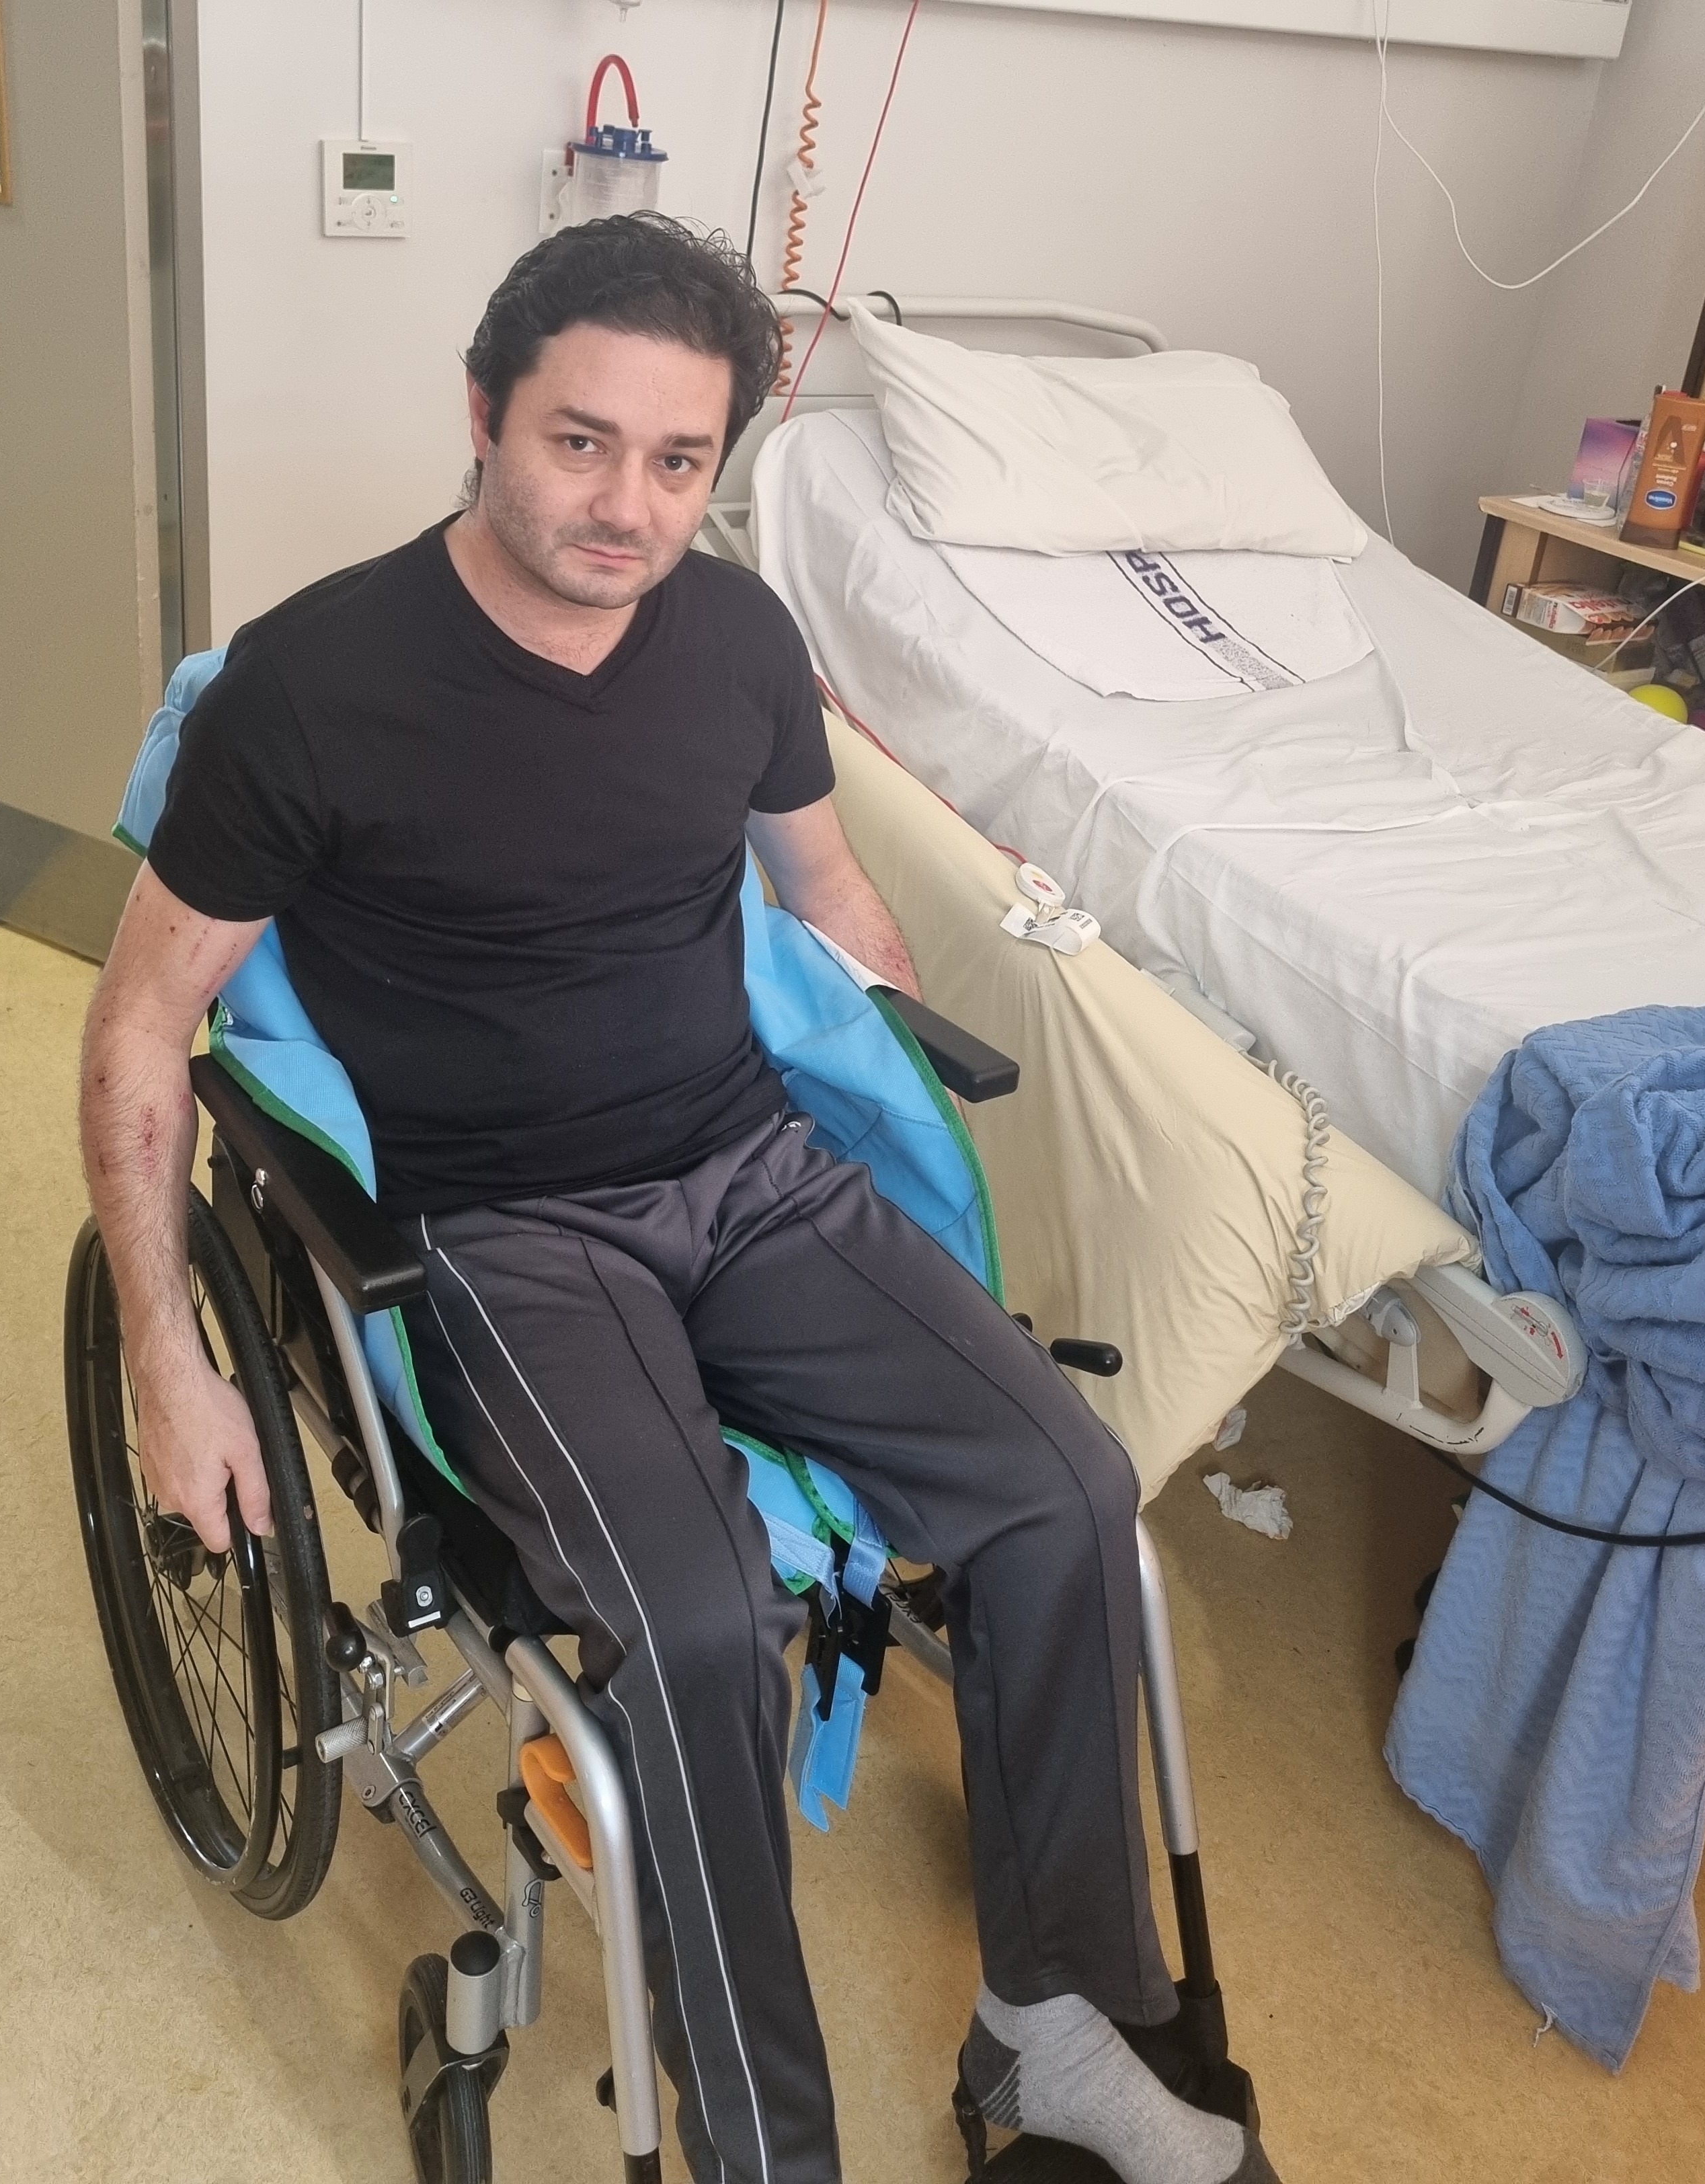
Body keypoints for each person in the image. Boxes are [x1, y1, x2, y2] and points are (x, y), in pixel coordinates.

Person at [79, 215, 1277, 2184]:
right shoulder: (307, 687)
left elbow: (825, 890)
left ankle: (1051, 2034)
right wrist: (167, 1356)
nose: (626, 506)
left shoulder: (736, 640)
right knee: (705, 1621)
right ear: (483, 414)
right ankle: (762, 2152)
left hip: (755, 1176)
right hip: (503, 1235)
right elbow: (141, 1025)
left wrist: (887, 1082)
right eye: (579, 442)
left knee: (1065, 1486)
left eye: (676, 460)